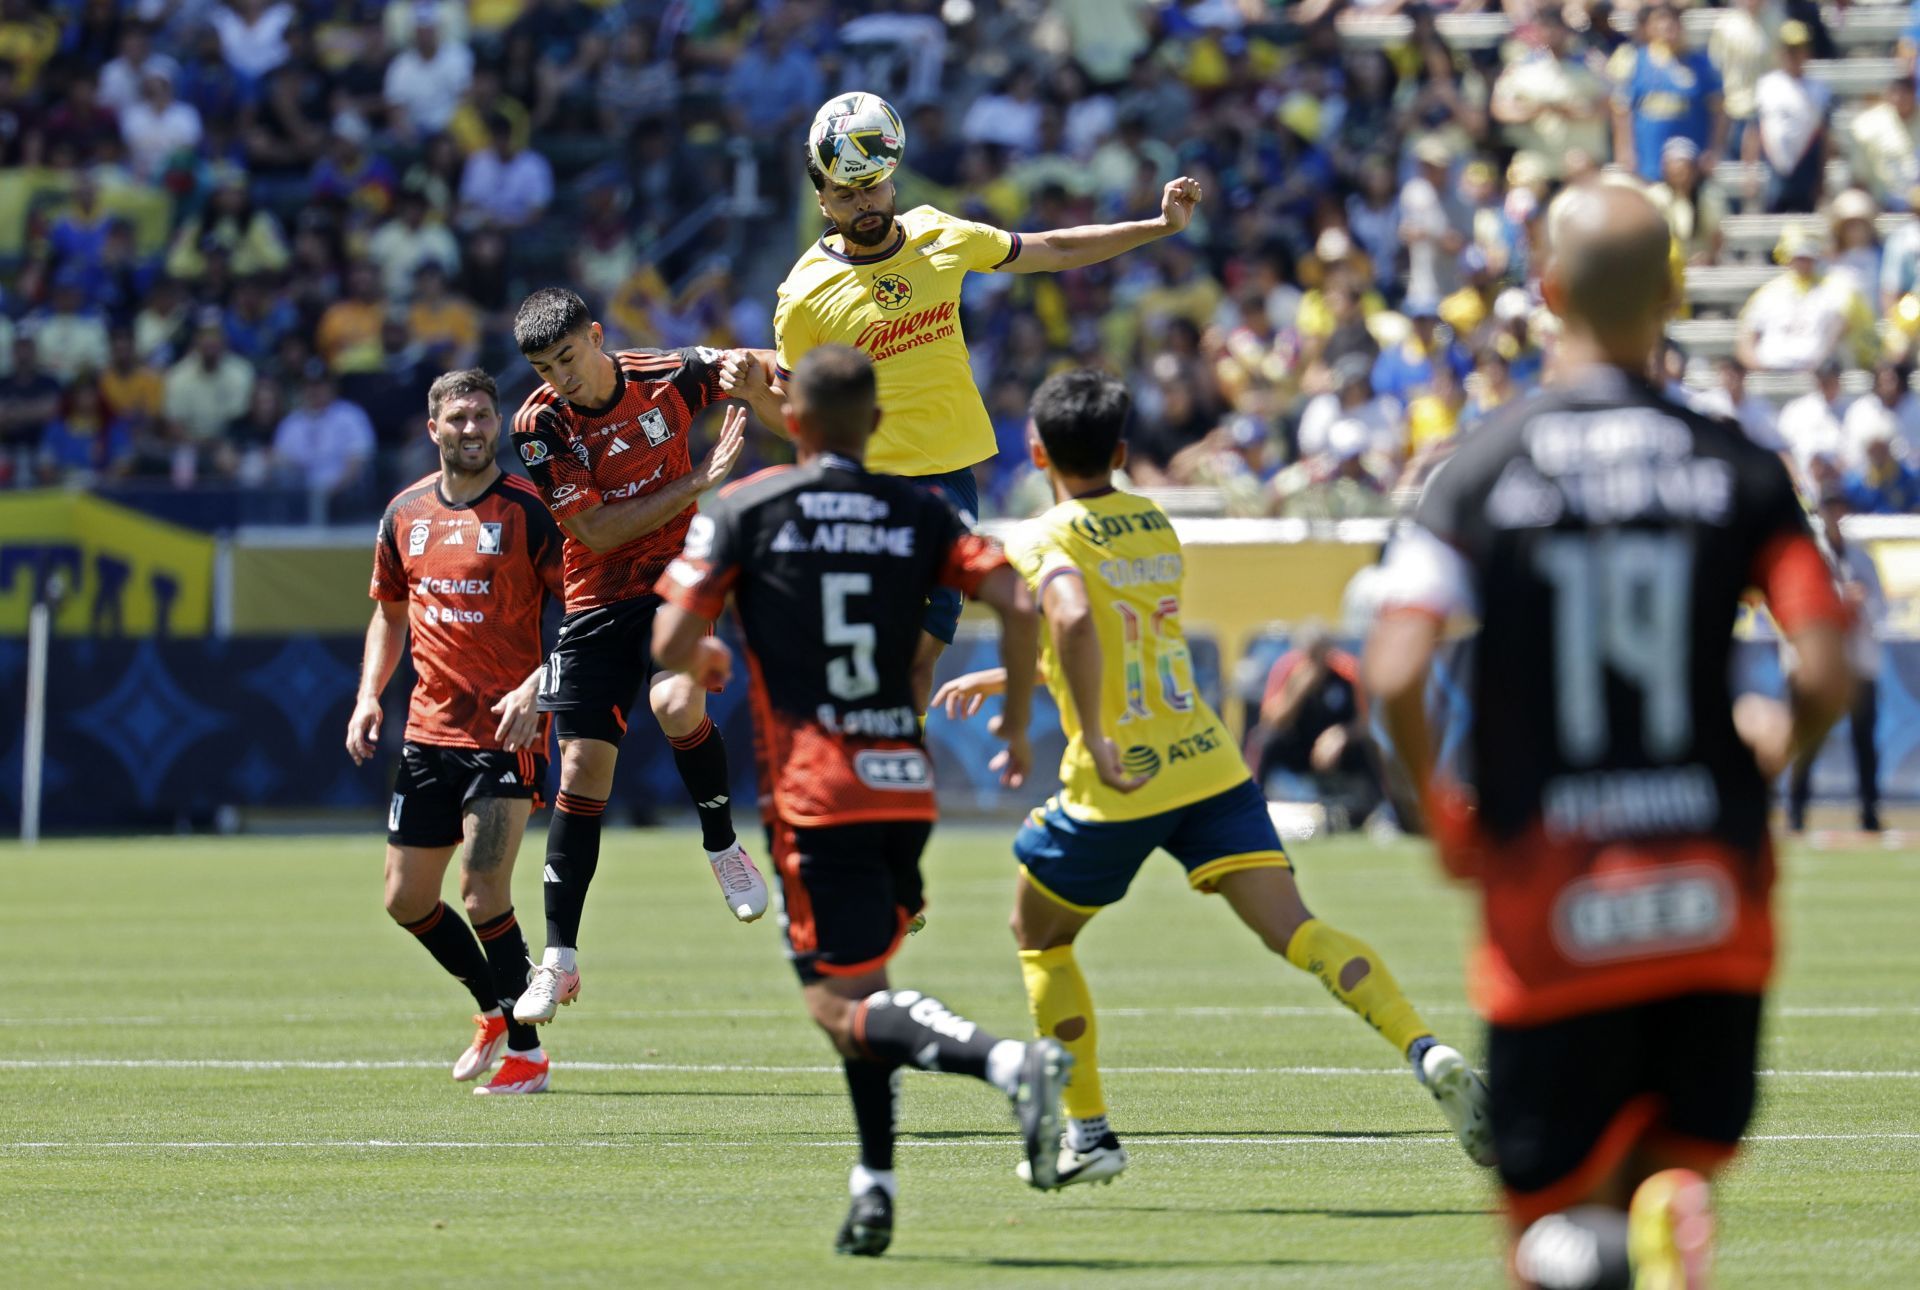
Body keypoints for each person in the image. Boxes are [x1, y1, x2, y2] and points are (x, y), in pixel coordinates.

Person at [1362, 183, 1853, 1289]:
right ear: (1676, 294)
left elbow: (1393, 669)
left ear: (1547, 293)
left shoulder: (1484, 467)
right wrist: (1776, 753)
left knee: (1544, 1228)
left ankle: (1598, 1242)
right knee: (1668, 1154)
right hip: (1710, 886)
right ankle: (1665, 1201)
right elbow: (1826, 663)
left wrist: (1442, 817)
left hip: (1555, 896)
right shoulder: (1739, 465)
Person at [933, 369, 1493, 1192]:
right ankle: (1425, 1046)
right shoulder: (1155, 523)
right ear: (1122, 452)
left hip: (1121, 777)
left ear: (1035, 449)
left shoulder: (1040, 536)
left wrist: (1065, 726)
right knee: (1298, 929)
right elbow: (1116, 641)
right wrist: (1019, 680)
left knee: (1040, 935)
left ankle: (1089, 1134)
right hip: (1207, 762)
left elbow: (1075, 619)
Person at [649, 346, 1069, 1256]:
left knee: (837, 1009)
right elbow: (1020, 603)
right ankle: (874, 1186)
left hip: (817, 791)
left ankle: (1010, 1063)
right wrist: (1022, 725)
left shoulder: (745, 507)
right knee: (865, 986)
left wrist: (703, 657)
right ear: (878, 425)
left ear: (789, 420)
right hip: (902, 785)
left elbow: (673, 634)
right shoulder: (920, 507)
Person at [751, 90, 1204, 712]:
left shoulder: (941, 233)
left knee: (919, 663)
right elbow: (799, 418)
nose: (865, 205)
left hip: (952, 483)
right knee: (878, 658)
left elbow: (1058, 250)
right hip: (872, 487)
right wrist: (756, 398)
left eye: (876, 188)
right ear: (822, 198)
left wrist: (1158, 227)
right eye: (847, 195)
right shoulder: (803, 295)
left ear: (892, 180)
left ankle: (892, 785)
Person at [505, 287, 784, 1023]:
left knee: (674, 700)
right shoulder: (539, 425)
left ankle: (723, 846)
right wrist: (698, 482)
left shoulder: (665, 373)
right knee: (583, 768)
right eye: (543, 366)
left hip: (677, 581)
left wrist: (796, 371)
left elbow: (737, 362)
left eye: (568, 357)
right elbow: (595, 532)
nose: (559, 376)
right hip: (596, 598)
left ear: (596, 336)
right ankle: (558, 961)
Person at [346, 368, 565, 1096]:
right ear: (432, 428)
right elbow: (389, 611)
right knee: (406, 900)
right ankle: (494, 1009)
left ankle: (528, 1054)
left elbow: (586, 611)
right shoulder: (403, 512)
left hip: (507, 733)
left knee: (480, 893)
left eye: (482, 416)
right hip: (427, 733)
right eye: (458, 418)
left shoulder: (530, 511)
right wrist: (368, 696)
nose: (472, 430)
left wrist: (542, 684)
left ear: (496, 424)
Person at [1789, 489, 1885, 834]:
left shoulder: (1862, 557)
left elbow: (1881, 608)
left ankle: (1869, 813)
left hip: (1858, 661)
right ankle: (1796, 812)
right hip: (1819, 660)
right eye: (1830, 507)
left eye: (1840, 507)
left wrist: (1860, 607)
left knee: (1865, 743)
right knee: (1808, 741)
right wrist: (1841, 604)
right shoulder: (1808, 557)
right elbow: (1801, 608)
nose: (1835, 514)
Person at [1748, 21, 1831, 215]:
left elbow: (1825, 136)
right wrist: (1750, 170)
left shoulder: (1819, 89)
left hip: (1806, 171)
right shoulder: (1766, 86)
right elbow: (1753, 130)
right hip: (1773, 170)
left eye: (1798, 50)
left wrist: (1822, 177)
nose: (1793, 56)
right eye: (1789, 50)